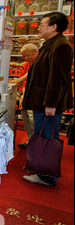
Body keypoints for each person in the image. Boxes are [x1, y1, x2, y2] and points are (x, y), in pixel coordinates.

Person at [22, 12, 73, 186]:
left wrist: (51, 104)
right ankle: (40, 169)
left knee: (47, 137)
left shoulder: (61, 46)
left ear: (53, 27)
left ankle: (47, 176)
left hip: (48, 104)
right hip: (41, 101)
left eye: (43, 24)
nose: (39, 27)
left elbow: (58, 78)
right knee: (41, 135)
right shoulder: (50, 44)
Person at [12, 43, 39, 149]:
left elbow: (28, 75)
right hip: (25, 91)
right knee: (25, 114)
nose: (26, 58)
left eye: (28, 55)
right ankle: (30, 139)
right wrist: (15, 86)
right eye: (24, 56)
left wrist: (19, 80)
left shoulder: (40, 62)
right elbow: (23, 74)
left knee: (32, 116)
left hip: (35, 93)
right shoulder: (27, 64)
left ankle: (35, 142)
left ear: (35, 52)